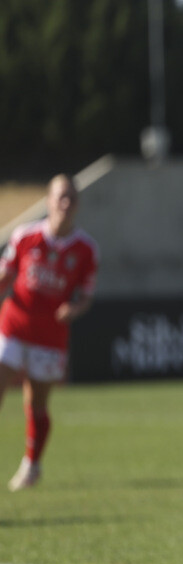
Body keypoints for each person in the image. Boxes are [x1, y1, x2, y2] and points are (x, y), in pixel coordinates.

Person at [2, 174, 99, 491]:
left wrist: (76, 309)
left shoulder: (86, 249)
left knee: (37, 404)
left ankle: (32, 465)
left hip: (49, 337)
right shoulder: (25, 236)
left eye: (71, 198)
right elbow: (6, 274)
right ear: (48, 200)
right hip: (13, 326)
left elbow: (85, 294)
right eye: (61, 196)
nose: (66, 203)